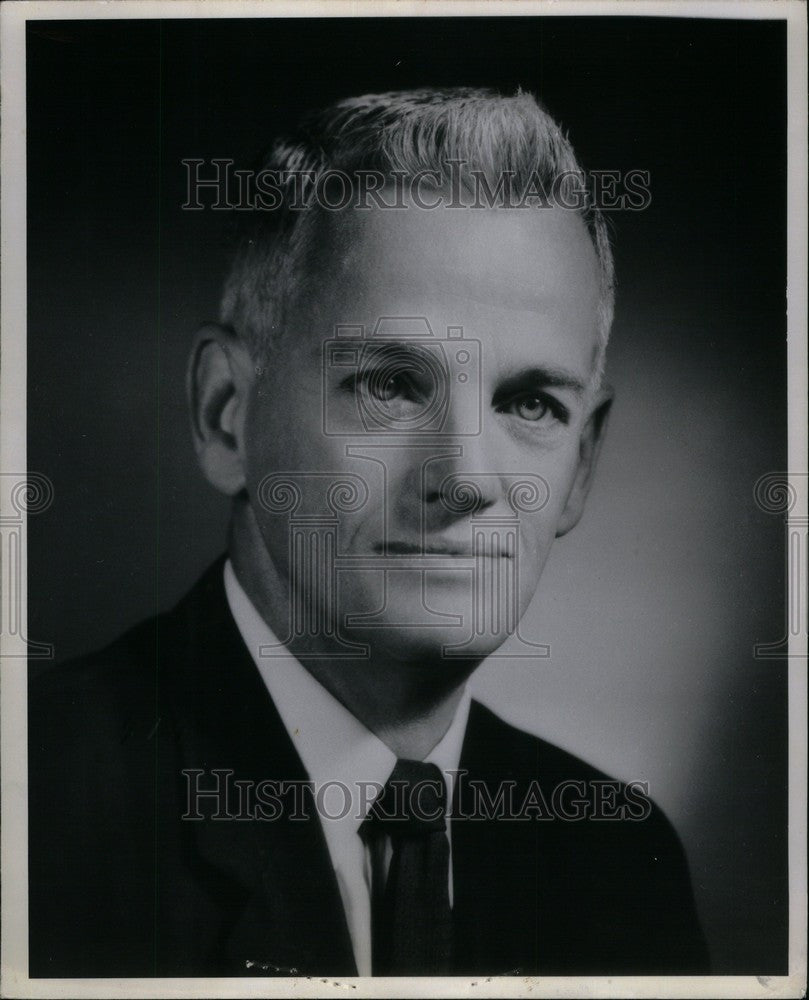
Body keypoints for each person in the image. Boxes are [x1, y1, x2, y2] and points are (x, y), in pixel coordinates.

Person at [29, 88, 709, 978]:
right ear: (226, 414)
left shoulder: (618, 861)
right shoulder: (35, 808)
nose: (465, 480)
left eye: (529, 403)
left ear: (579, 466)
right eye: (390, 385)